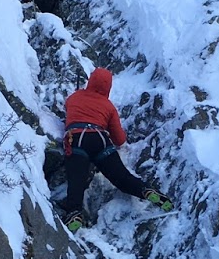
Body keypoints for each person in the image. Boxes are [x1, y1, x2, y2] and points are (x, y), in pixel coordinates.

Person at [59, 67, 171, 230]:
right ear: (108, 87)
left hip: (77, 138)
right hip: (100, 140)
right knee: (121, 177)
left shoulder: (74, 97)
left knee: (76, 181)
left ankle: (74, 214)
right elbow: (119, 139)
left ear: (91, 81)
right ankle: (145, 190)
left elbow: (67, 109)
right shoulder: (109, 106)